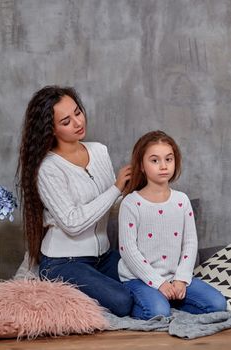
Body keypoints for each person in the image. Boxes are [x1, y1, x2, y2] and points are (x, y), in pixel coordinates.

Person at [16, 85, 133, 317]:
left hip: (104, 257)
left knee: (149, 283)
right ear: (51, 130)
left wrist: (135, 191)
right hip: (64, 262)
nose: (78, 123)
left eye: (78, 113)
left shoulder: (100, 151)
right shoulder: (48, 168)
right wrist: (116, 188)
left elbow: (111, 206)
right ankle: (56, 296)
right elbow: (72, 223)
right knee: (122, 301)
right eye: (66, 121)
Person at [118, 130, 227, 320]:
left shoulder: (181, 200)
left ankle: (170, 301)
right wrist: (159, 283)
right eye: (154, 160)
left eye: (168, 159)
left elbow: (190, 243)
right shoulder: (131, 203)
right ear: (142, 166)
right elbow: (128, 250)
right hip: (140, 278)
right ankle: (152, 302)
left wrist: (181, 279)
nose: (163, 166)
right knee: (157, 312)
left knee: (218, 305)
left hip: (174, 276)